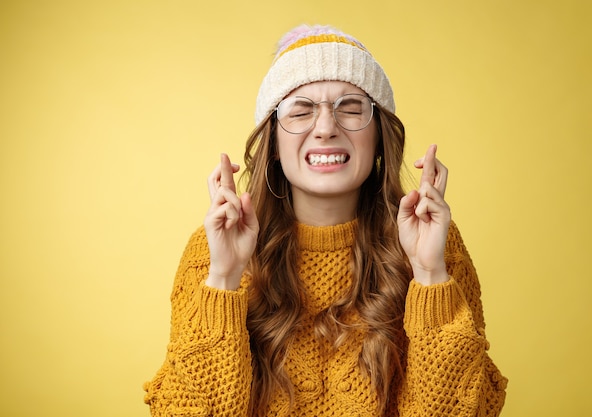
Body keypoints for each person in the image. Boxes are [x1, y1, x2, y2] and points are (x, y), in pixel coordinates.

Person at [143, 24, 507, 416]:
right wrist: (223, 278)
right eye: (300, 111)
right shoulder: (213, 250)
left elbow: (464, 411)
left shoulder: (433, 241)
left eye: (350, 108)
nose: (326, 128)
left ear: (379, 137)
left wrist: (430, 273)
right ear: (275, 144)